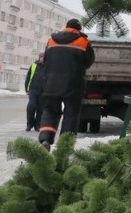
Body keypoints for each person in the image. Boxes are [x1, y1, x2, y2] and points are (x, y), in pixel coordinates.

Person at [37, 19, 95, 149]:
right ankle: (65, 145)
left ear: (66, 27)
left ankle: (45, 139)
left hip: (51, 84)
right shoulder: (83, 41)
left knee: (50, 111)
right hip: (73, 84)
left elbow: (45, 60)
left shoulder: (51, 40)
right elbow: (88, 61)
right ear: (78, 29)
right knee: (71, 114)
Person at [23, 53, 44, 131]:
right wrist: (26, 89)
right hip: (33, 90)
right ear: (39, 58)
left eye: (44, 57)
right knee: (31, 106)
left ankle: (37, 125)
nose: (43, 59)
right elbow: (28, 77)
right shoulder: (34, 65)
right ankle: (29, 124)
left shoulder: (48, 67)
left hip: (43, 91)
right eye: (41, 57)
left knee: (41, 109)